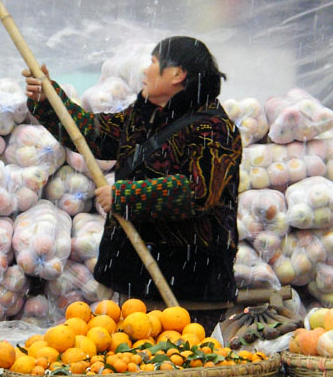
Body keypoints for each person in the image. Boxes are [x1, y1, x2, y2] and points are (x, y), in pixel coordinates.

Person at [23, 36, 242, 330]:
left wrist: (126, 196)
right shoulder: (145, 116)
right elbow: (93, 135)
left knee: (180, 365)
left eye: (153, 63)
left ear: (177, 74)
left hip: (188, 288)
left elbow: (198, 192)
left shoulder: (214, 129)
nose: (145, 71)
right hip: (138, 281)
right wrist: (49, 98)